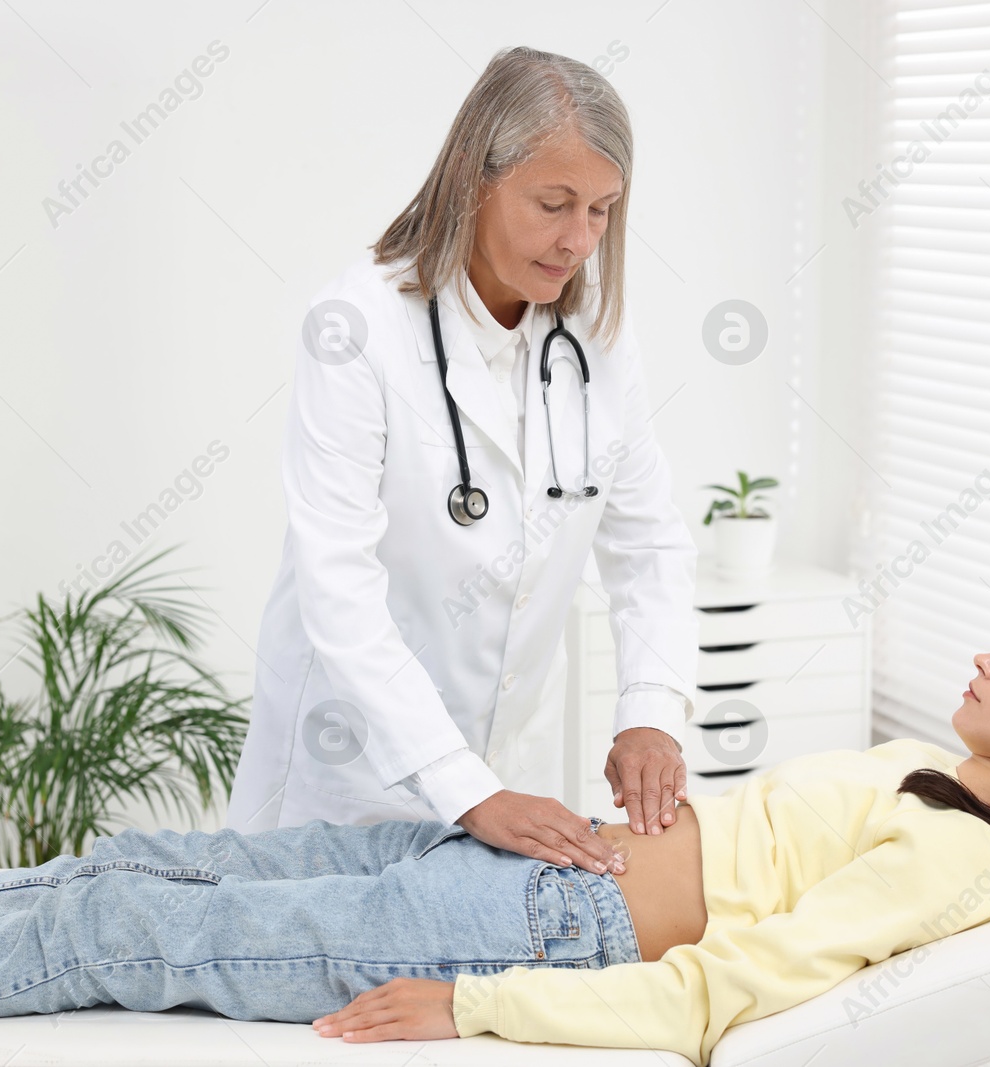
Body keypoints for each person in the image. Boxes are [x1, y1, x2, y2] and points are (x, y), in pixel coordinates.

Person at [0, 603, 990, 1067]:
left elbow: (727, 988)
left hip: (529, 929)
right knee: (130, 860)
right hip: (520, 853)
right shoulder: (921, 765)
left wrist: (475, 1003)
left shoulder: (964, 857)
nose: (989, 662)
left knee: (118, 935)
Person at [225, 45, 700, 873]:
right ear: (477, 178)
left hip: (515, 778)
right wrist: (461, 785)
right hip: (350, 778)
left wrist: (650, 709)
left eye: (601, 210)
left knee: (474, 1000)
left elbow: (650, 546)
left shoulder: (595, 343)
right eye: (553, 203)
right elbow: (338, 586)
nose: (578, 239)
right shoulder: (356, 326)